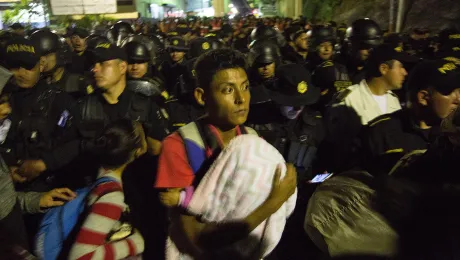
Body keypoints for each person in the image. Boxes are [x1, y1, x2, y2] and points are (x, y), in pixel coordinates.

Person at [155, 49, 297, 258]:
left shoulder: (252, 140)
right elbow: (196, 238)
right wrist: (274, 202)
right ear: (202, 96)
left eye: (245, 87)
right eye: (228, 90)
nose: (241, 99)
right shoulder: (180, 145)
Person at [1, 38, 79, 192]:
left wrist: (44, 163)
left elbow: (75, 143)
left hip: (46, 188)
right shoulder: (5, 100)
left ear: (41, 65)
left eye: (28, 67)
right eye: (14, 67)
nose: (21, 73)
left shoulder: (59, 100)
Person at [362, 59, 460, 175]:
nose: (458, 99)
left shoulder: (456, 133)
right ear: (423, 98)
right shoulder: (380, 133)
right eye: (449, 92)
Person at [325, 44, 413, 172]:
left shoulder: (393, 100)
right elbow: (336, 149)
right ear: (383, 69)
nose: (405, 73)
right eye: (400, 67)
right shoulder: (349, 100)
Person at [67, 120, 146, 260]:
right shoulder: (111, 197)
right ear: (137, 151)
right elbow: (81, 257)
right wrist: (133, 244)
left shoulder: (99, 178)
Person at [29, 30, 91, 99]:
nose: (42, 60)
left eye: (46, 55)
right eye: (38, 57)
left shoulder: (78, 84)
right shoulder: (35, 83)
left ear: (60, 55)